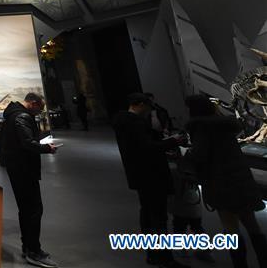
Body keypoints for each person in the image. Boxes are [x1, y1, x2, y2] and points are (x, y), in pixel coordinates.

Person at [186, 94, 267, 268]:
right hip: (241, 181)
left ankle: (240, 265)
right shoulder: (226, 126)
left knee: (231, 229)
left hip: (221, 183)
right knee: (252, 225)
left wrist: (189, 157)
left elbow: (200, 155)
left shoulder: (201, 127)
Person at [112, 93, 187, 268]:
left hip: (139, 175)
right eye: (148, 107)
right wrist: (173, 142)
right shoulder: (135, 123)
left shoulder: (123, 122)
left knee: (148, 214)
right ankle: (164, 258)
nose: (149, 111)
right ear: (140, 104)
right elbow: (147, 148)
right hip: (152, 174)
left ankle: (154, 255)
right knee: (158, 217)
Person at [0, 93, 58, 268]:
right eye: (40, 107)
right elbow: (28, 143)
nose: (40, 111)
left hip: (18, 169)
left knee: (26, 209)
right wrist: (47, 148)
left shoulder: (13, 114)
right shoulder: (22, 116)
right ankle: (33, 251)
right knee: (33, 210)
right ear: (33, 103)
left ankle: (29, 247)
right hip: (24, 169)